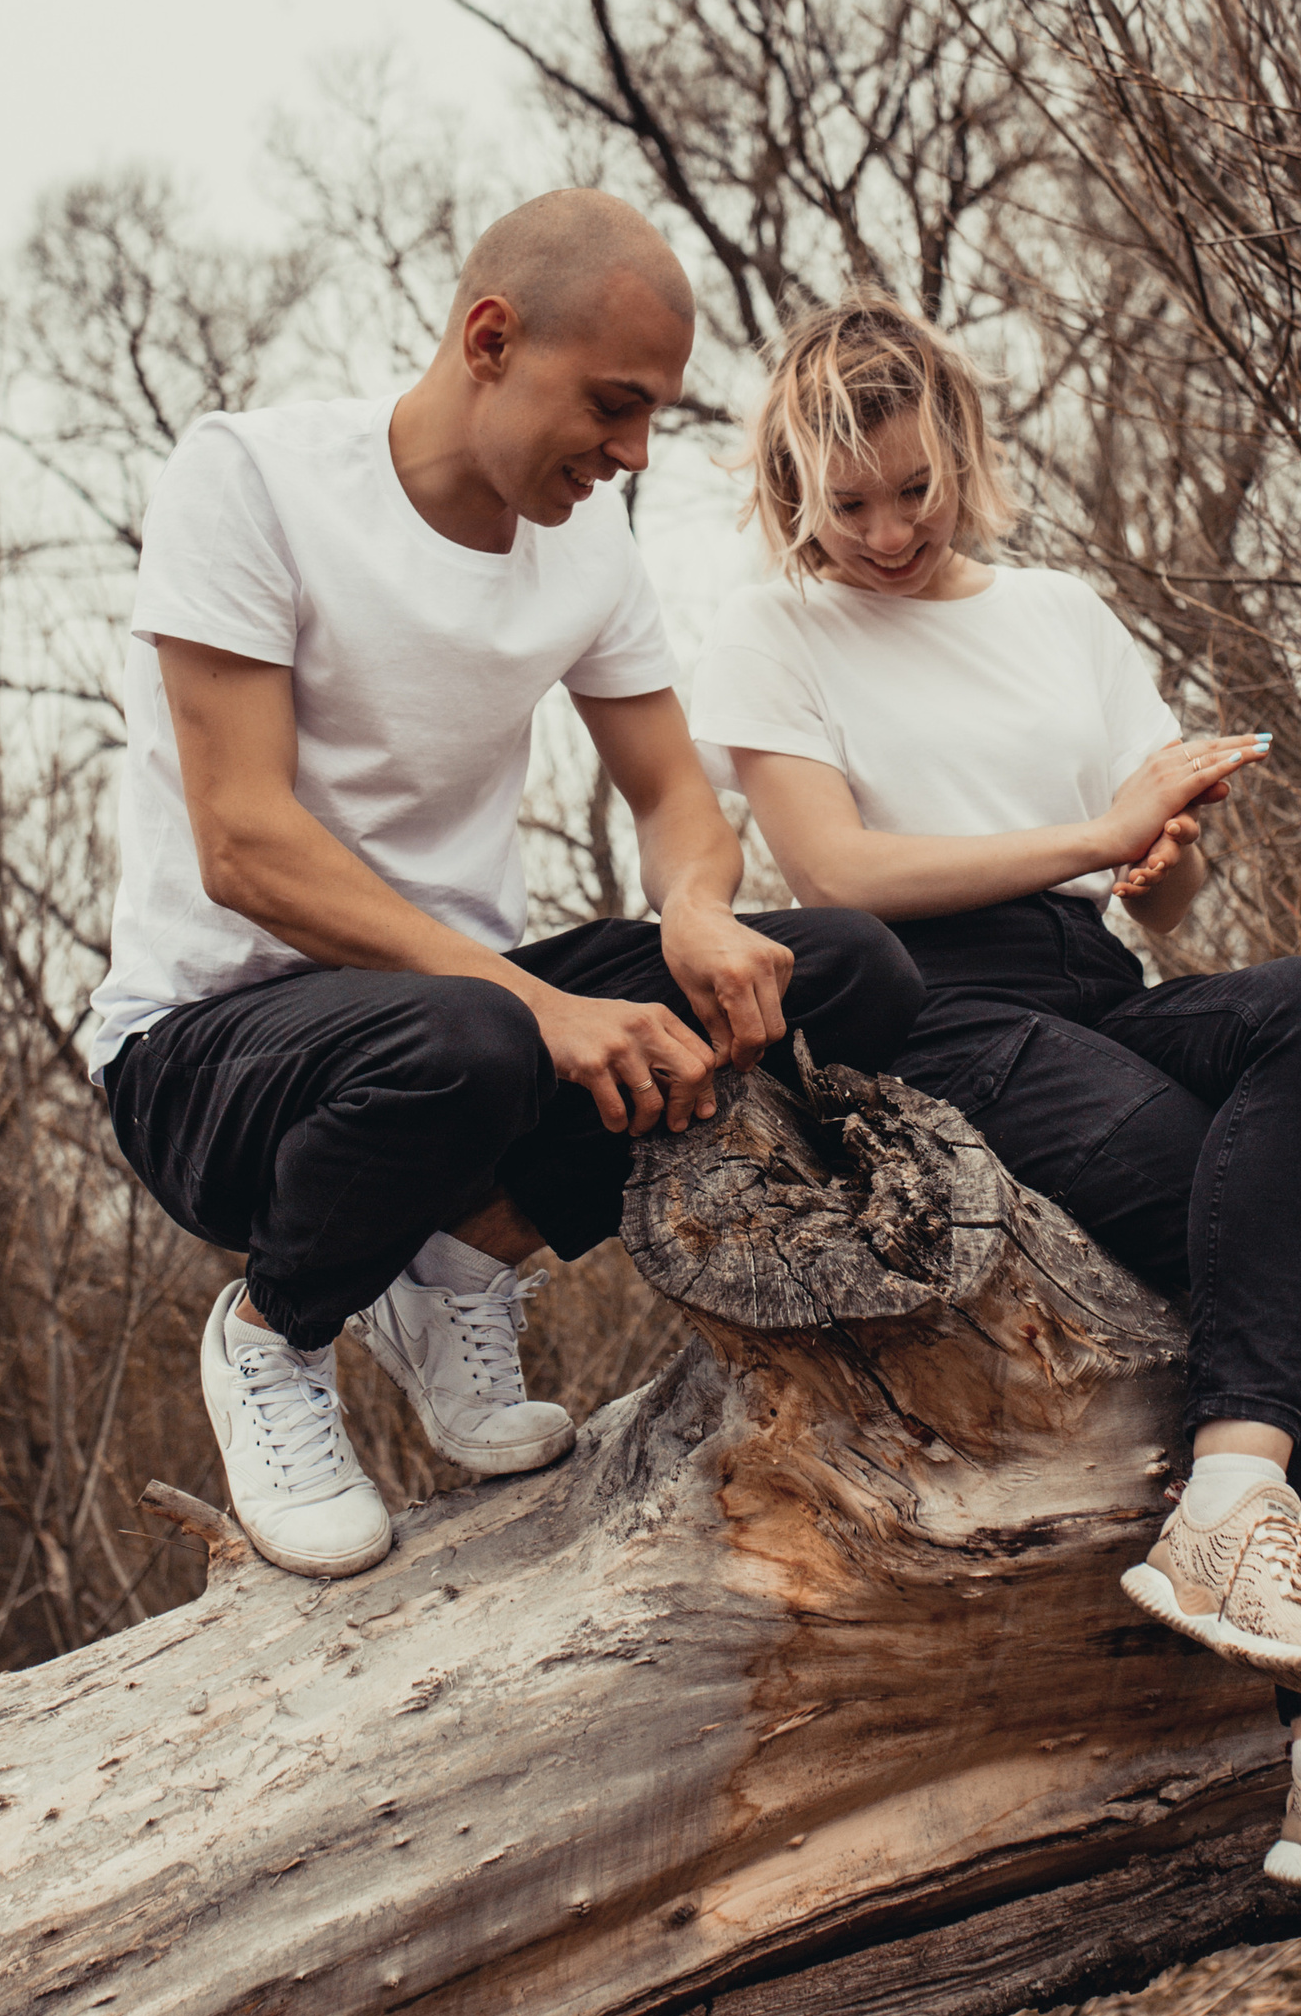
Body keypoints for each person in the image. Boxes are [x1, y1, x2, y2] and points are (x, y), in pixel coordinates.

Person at [688, 300, 1301, 1913]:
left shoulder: (1063, 611)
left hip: (1096, 980)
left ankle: (1231, 1493)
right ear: (793, 484)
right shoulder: (772, 632)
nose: (881, 529)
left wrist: (1164, 850)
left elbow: (1173, 896)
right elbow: (839, 875)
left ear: (960, 450)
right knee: (1246, 1217)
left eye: (911, 489)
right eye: (845, 500)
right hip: (928, 1009)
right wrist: (1095, 832)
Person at [89, 196, 923, 1580]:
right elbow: (243, 840)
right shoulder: (250, 479)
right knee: (474, 1036)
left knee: (843, 971)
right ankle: (275, 1333)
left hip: (458, 1042)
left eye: (654, 413)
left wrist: (699, 914)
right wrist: (541, 1005)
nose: (635, 450)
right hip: (208, 1057)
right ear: (490, 338)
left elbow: (671, 795)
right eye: (613, 404)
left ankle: (460, 1263)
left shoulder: (588, 550)